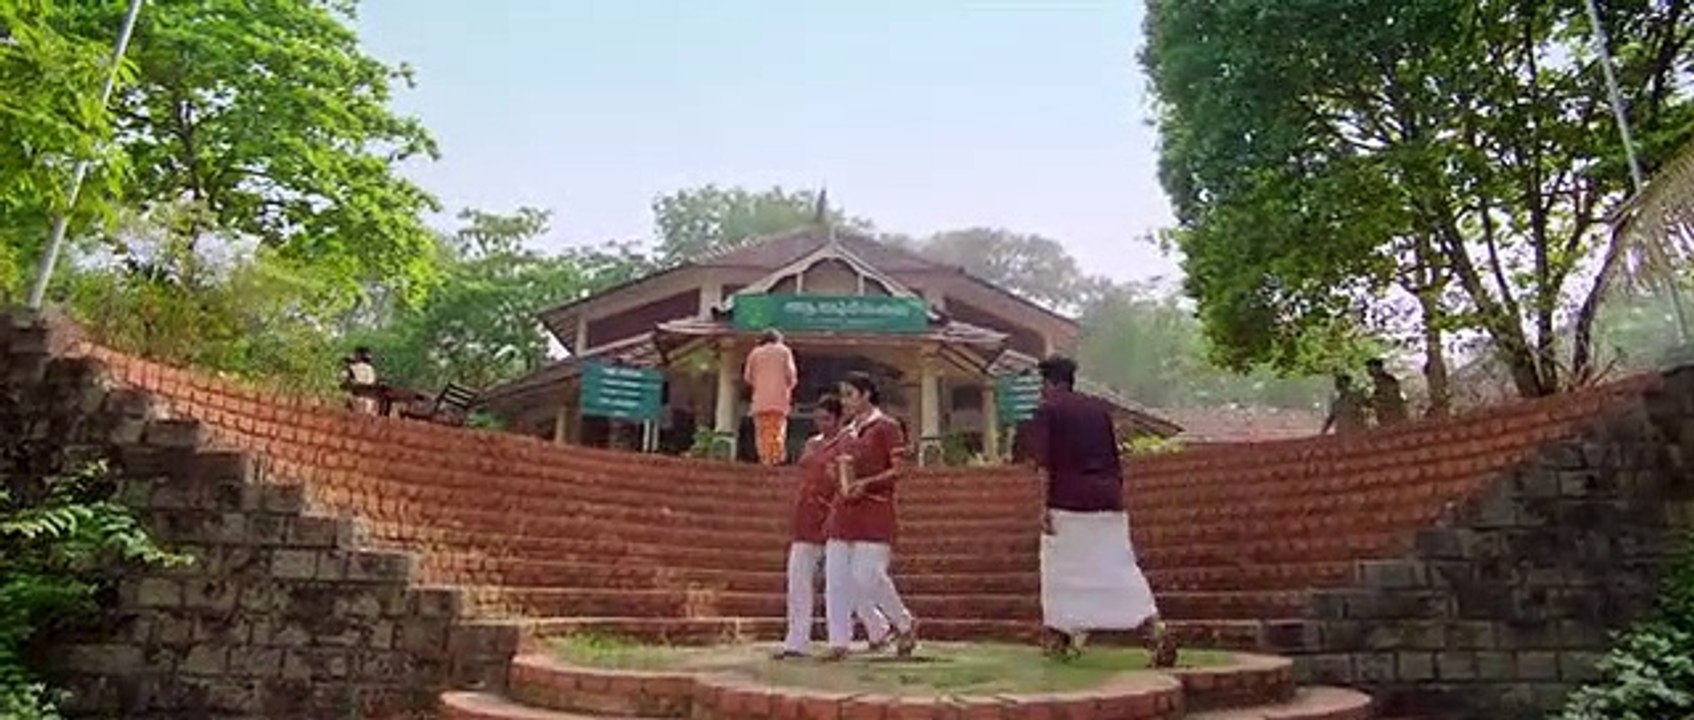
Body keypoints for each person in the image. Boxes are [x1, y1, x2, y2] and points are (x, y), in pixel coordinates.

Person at [1026, 356, 1176, 666]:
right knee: (1118, 565)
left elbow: (1044, 465)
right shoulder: (1099, 411)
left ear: (1047, 382)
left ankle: (1059, 636)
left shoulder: (1047, 410)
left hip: (1067, 498)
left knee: (1060, 571)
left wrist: (1042, 507)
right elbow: (1115, 460)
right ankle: (1153, 628)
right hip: (1108, 498)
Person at [773, 394, 892, 659]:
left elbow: (849, 479)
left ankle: (876, 629)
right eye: (818, 419)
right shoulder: (812, 444)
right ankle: (796, 642)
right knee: (798, 580)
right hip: (806, 517)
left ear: (839, 419)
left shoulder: (849, 442)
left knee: (845, 584)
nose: (821, 424)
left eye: (827, 419)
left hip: (835, 518)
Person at [822, 372, 917, 660]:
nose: (845, 401)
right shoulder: (846, 433)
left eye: (850, 394)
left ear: (866, 395)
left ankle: (903, 622)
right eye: (843, 395)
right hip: (843, 511)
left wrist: (867, 483)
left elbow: (899, 469)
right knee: (836, 579)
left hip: (875, 509)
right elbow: (837, 467)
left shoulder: (887, 427)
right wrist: (836, 476)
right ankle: (838, 641)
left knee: (868, 575)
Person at [743, 329, 798, 465]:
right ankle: (775, 459)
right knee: (776, 430)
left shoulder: (755, 353)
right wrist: (788, 387)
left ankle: (765, 458)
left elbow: (748, 377)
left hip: (760, 401)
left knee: (762, 432)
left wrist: (759, 384)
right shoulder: (784, 351)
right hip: (779, 401)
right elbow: (791, 376)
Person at [1365, 358, 1409, 426]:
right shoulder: (1377, 382)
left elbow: (1390, 396)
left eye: (1371, 367)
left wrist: (1374, 399)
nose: (1368, 370)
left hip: (1392, 412)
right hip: (1385, 413)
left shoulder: (1387, 380)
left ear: (1379, 368)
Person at [342, 347, 380, 415]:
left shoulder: (351, 368)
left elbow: (343, 378)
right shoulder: (369, 368)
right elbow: (371, 382)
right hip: (367, 399)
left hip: (356, 398)